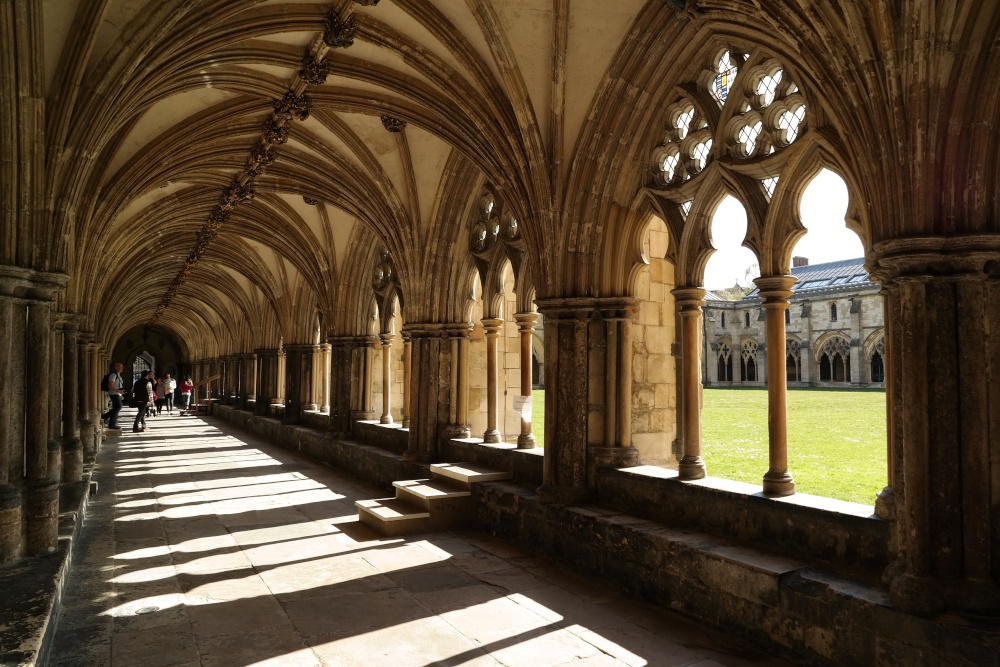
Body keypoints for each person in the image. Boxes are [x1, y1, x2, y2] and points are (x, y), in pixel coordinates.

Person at [100, 362, 125, 428]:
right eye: (120, 367)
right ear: (116, 367)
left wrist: (120, 394)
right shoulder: (113, 375)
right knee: (118, 407)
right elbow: (110, 385)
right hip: (113, 393)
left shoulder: (118, 375)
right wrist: (118, 391)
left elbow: (119, 386)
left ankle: (112, 424)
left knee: (116, 409)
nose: (122, 368)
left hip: (117, 394)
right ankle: (105, 416)